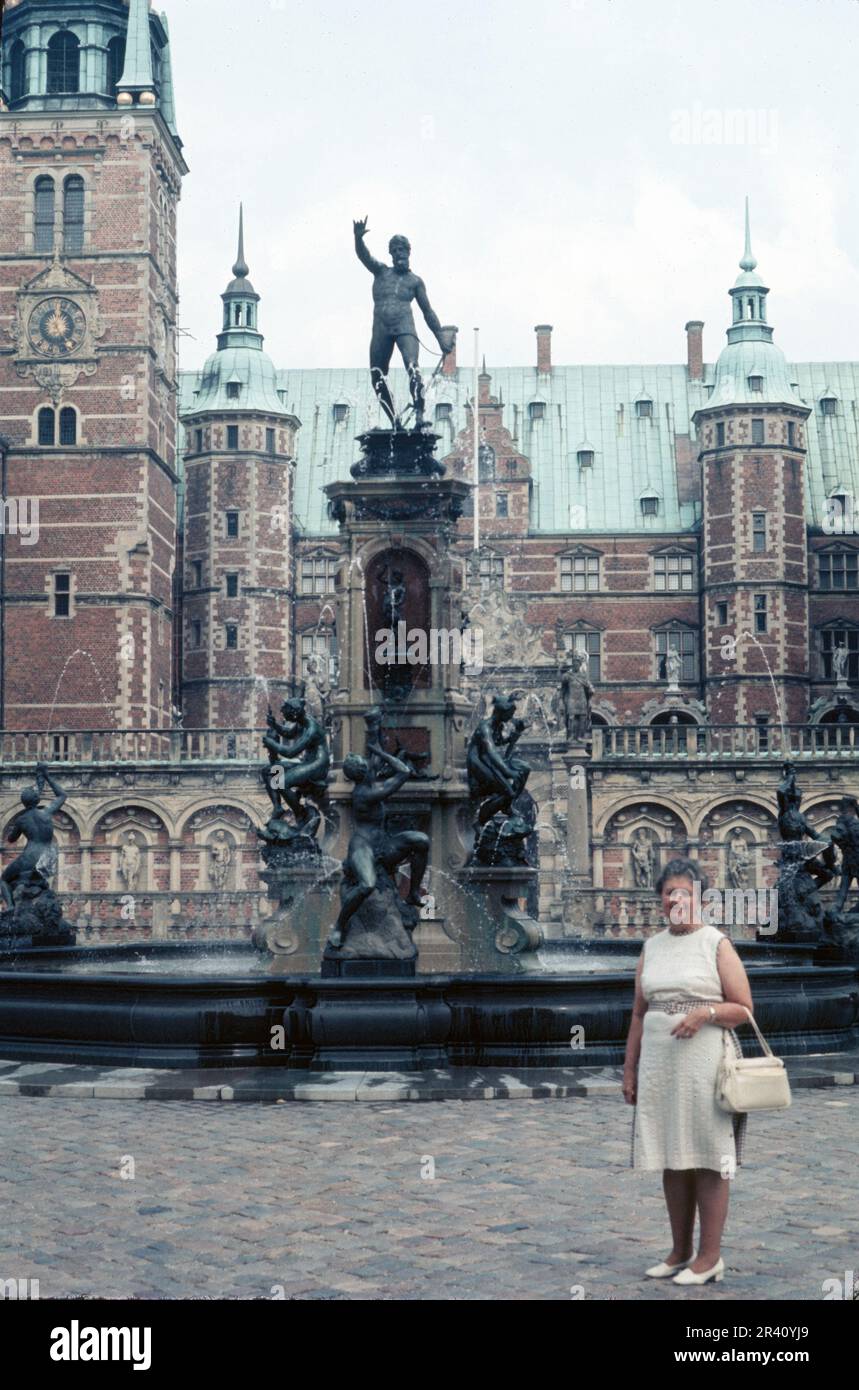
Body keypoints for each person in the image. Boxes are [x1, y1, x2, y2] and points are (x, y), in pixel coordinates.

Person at [623, 857, 755, 1286]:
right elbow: (639, 1014)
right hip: (660, 1063)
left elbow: (744, 1009)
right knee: (671, 1155)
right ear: (660, 899)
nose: (676, 899)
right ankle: (679, 1251)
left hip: (704, 1061)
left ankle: (709, 1256)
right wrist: (630, 1070)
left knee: (708, 1156)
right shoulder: (652, 946)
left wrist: (707, 1012)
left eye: (685, 892)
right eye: (669, 892)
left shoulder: (716, 943)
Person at [353, 217, 453, 428]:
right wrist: (358, 238)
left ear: (409, 252)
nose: (399, 253)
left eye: (402, 250)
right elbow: (364, 256)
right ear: (391, 254)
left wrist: (440, 338)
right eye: (395, 250)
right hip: (381, 329)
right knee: (376, 376)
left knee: (413, 367)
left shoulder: (415, 281)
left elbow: (428, 312)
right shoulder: (381, 272)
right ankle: (395, 421)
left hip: (405, 328)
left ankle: (419, 414)